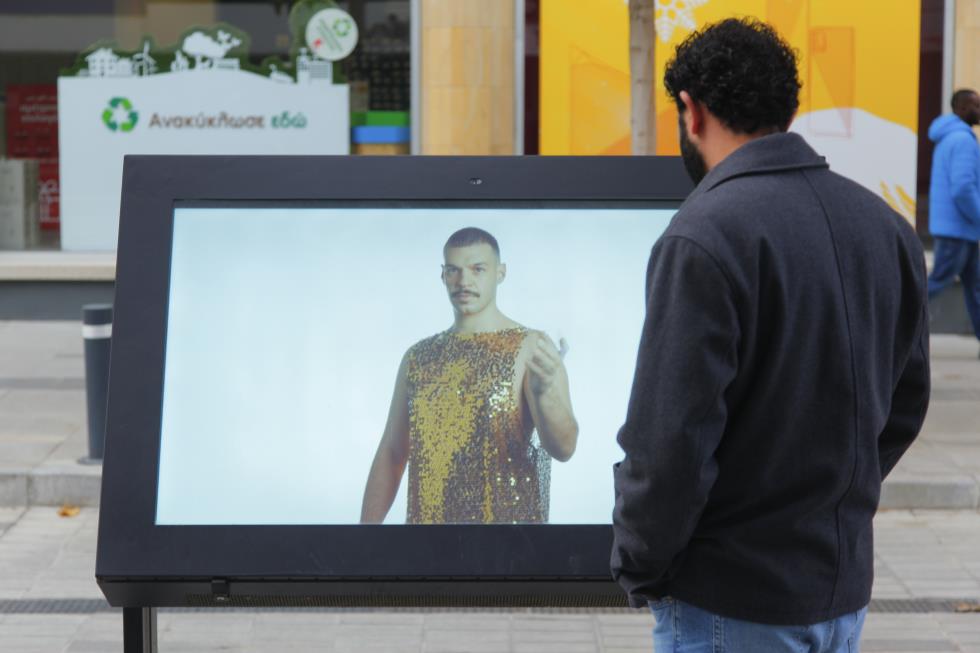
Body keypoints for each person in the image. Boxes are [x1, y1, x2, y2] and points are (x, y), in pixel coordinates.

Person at [611, 18, 930, 652]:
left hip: (728, 598)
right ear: (787, 110)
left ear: (690, 111)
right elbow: (903, 406)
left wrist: (640, 562)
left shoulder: (702, 233)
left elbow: (670, 438)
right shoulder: (883, 224)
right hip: (839, 593)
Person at [360, 227, 578, 524]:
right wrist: (365, 537)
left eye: (477, 269)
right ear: (443, 275)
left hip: (509, 547)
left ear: (500, 273)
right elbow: (393, 452)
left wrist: (544, 395)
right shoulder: (418, 357)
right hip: (430, 542)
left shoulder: (533, 348)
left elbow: (564, 449)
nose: (464, 282)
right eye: (454, 270)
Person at [926, 88, 980, 350]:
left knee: (976, 288)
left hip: (961, 229)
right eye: (975, 106)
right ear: (960, 109)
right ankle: (895, 322)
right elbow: (962, 188)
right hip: (958, 230)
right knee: (935, 284)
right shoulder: (963, 141)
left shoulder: (950, 138)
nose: (979, 111)